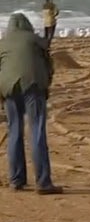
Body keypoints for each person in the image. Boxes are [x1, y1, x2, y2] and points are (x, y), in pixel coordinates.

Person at [1, 14, 60, 194]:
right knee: (36, 131)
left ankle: (16, 179)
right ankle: (43, 182)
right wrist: (51, 23)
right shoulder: (33, 39)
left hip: (8, 88)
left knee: (14, 131)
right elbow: (47, 47)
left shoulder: (3, 42)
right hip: (33, 85)